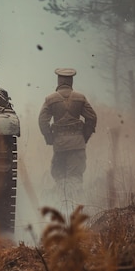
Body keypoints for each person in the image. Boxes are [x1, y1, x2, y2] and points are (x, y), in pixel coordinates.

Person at [38, 68, 97, 204]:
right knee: (75, 177)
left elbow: (42, 120)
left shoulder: (50, 99)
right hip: (78, 145)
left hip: (59, 145)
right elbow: (92, 118)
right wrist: (84, 137)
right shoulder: (80, 98)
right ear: (71, 81)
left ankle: (61, 205)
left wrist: (50, 138)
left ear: (59, 80)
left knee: (60, 177)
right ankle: (76, 207)